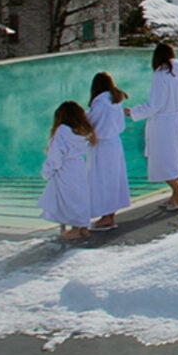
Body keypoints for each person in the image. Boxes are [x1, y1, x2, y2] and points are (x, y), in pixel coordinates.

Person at [127, 43, 178, 210]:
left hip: (163, 124)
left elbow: (155, 105)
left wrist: (133, 112)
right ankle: (175, 198)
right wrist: (177, 109)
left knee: (162, 160)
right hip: (176, 120)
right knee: (176, 159)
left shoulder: (160, 75)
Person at [37, 100, 96, 240]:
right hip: (78, 166)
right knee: (80, 196)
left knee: (67, 198)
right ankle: (83, 227)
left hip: (65, 168)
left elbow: (56, 155)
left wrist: (48, 171)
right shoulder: (81, 132)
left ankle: (74, 229)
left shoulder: (62, 131)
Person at [87, 72, 130, 230]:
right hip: (115, 143)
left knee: (102, 180)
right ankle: (110, 215)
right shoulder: (115, 101)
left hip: (102, 146)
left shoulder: (99, 103)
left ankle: (106, 217)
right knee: (114, 179)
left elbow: (93, 123)